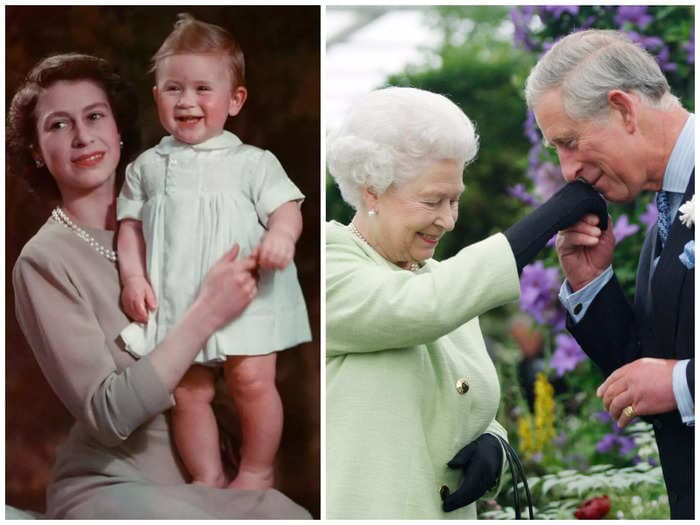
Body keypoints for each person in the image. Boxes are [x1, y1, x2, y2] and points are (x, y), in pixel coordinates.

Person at [7, 52, 310, 519]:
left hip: (210, 481)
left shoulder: (186, 217)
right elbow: (108, 416)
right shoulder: (43, 262)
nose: (83, 136)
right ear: (35, 150)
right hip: (114, 484)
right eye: (58, 125)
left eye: (94, 116)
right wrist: (206, 311)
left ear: (118, 129)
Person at [325, 86, 609, 519]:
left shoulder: (440, 281)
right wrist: (550, 217)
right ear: (371, 191)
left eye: (454, 199)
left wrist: (493, 441)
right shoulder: (325, 261)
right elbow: (421, 309)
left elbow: (460, 398)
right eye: (431, 201)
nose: (448, 219)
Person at [116, 14, 311, 491]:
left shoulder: (253, 163)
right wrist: (133, 278)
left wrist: (282, 236)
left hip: (247, 292)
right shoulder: (146, 167)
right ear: (158, 96)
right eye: (173, 88)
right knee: (187, 391)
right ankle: (207, 476)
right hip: (179, 295)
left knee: (252, 383)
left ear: (234, 100)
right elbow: (129, 228)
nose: (187, 101)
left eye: (203, 89)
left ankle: (256, 470)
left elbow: (287, 208)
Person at [525, 29, 694, 518]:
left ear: (623, 108)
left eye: (570, 142)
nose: (567, 169)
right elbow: (647, 368)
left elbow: (669, 380)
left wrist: (685, 385)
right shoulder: (670, 204)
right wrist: (589, 282)